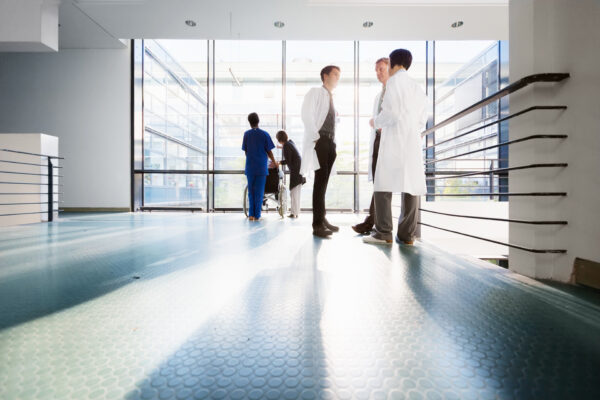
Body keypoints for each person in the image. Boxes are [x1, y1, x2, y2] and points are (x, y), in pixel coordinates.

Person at [363, 49, 428, 245]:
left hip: (394, 140)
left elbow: (391, 112)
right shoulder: (417, 87)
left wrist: (376, 121)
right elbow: (422, 119)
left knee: (382, 184)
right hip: (411, 141)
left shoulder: (394, 82)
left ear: (393, 63)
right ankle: (407, 235)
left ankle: (383, 233)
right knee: (411, 185)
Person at [300, 65, 341, 238]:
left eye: (339, 75)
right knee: (319, 183)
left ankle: (322, 219)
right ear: (325, 76)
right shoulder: (315, 92)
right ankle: (317, 225)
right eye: (335, 74)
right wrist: (316, 137)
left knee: (323, 184)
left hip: (330, 143)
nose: (338, 78)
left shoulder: (331, 97)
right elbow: (306, 114)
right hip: (320, 141)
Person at [353, 57, 390, 235]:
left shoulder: (393, 91)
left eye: (381, 69)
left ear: (390, 69)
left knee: (383, 184)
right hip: (377, 140)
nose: (378, 73)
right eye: (376, 70)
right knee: (378, 182)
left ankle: (372, 223)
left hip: (388, 141)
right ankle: (372, 222)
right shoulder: (380, 94)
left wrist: (377, 122)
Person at [242, 112, 278, 221]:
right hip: (261, 167)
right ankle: (257, 215)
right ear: (258, 121)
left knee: (251, 192)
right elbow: (269, 152)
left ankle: (251, 215)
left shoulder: (246, 134)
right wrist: (274, 162)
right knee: (259, 192)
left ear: (249, 122)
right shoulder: (265, 134)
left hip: (250, 167)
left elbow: (246, 151)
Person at [276, 130, 304, 218]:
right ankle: (296, 212)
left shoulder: (286, 146)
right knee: (296, 192)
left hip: (296, 171)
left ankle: (294, 213)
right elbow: (291, 151)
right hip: (300, 170)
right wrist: (282, 147)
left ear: (279, 140)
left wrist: (279, 163)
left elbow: (288, 160)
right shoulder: (290, 143)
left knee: (293, 192)